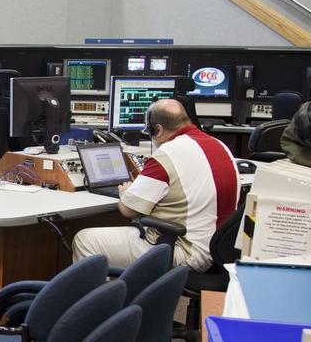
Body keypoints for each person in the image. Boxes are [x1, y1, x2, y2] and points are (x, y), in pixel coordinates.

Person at [72, 98, 237, 271]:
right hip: (218, 250)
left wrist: (126, 193)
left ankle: (103, 298)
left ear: (158, 129)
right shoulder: (220, 145)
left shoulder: (167, 154)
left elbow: (129, 210)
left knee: (85, 240)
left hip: (185, 251)